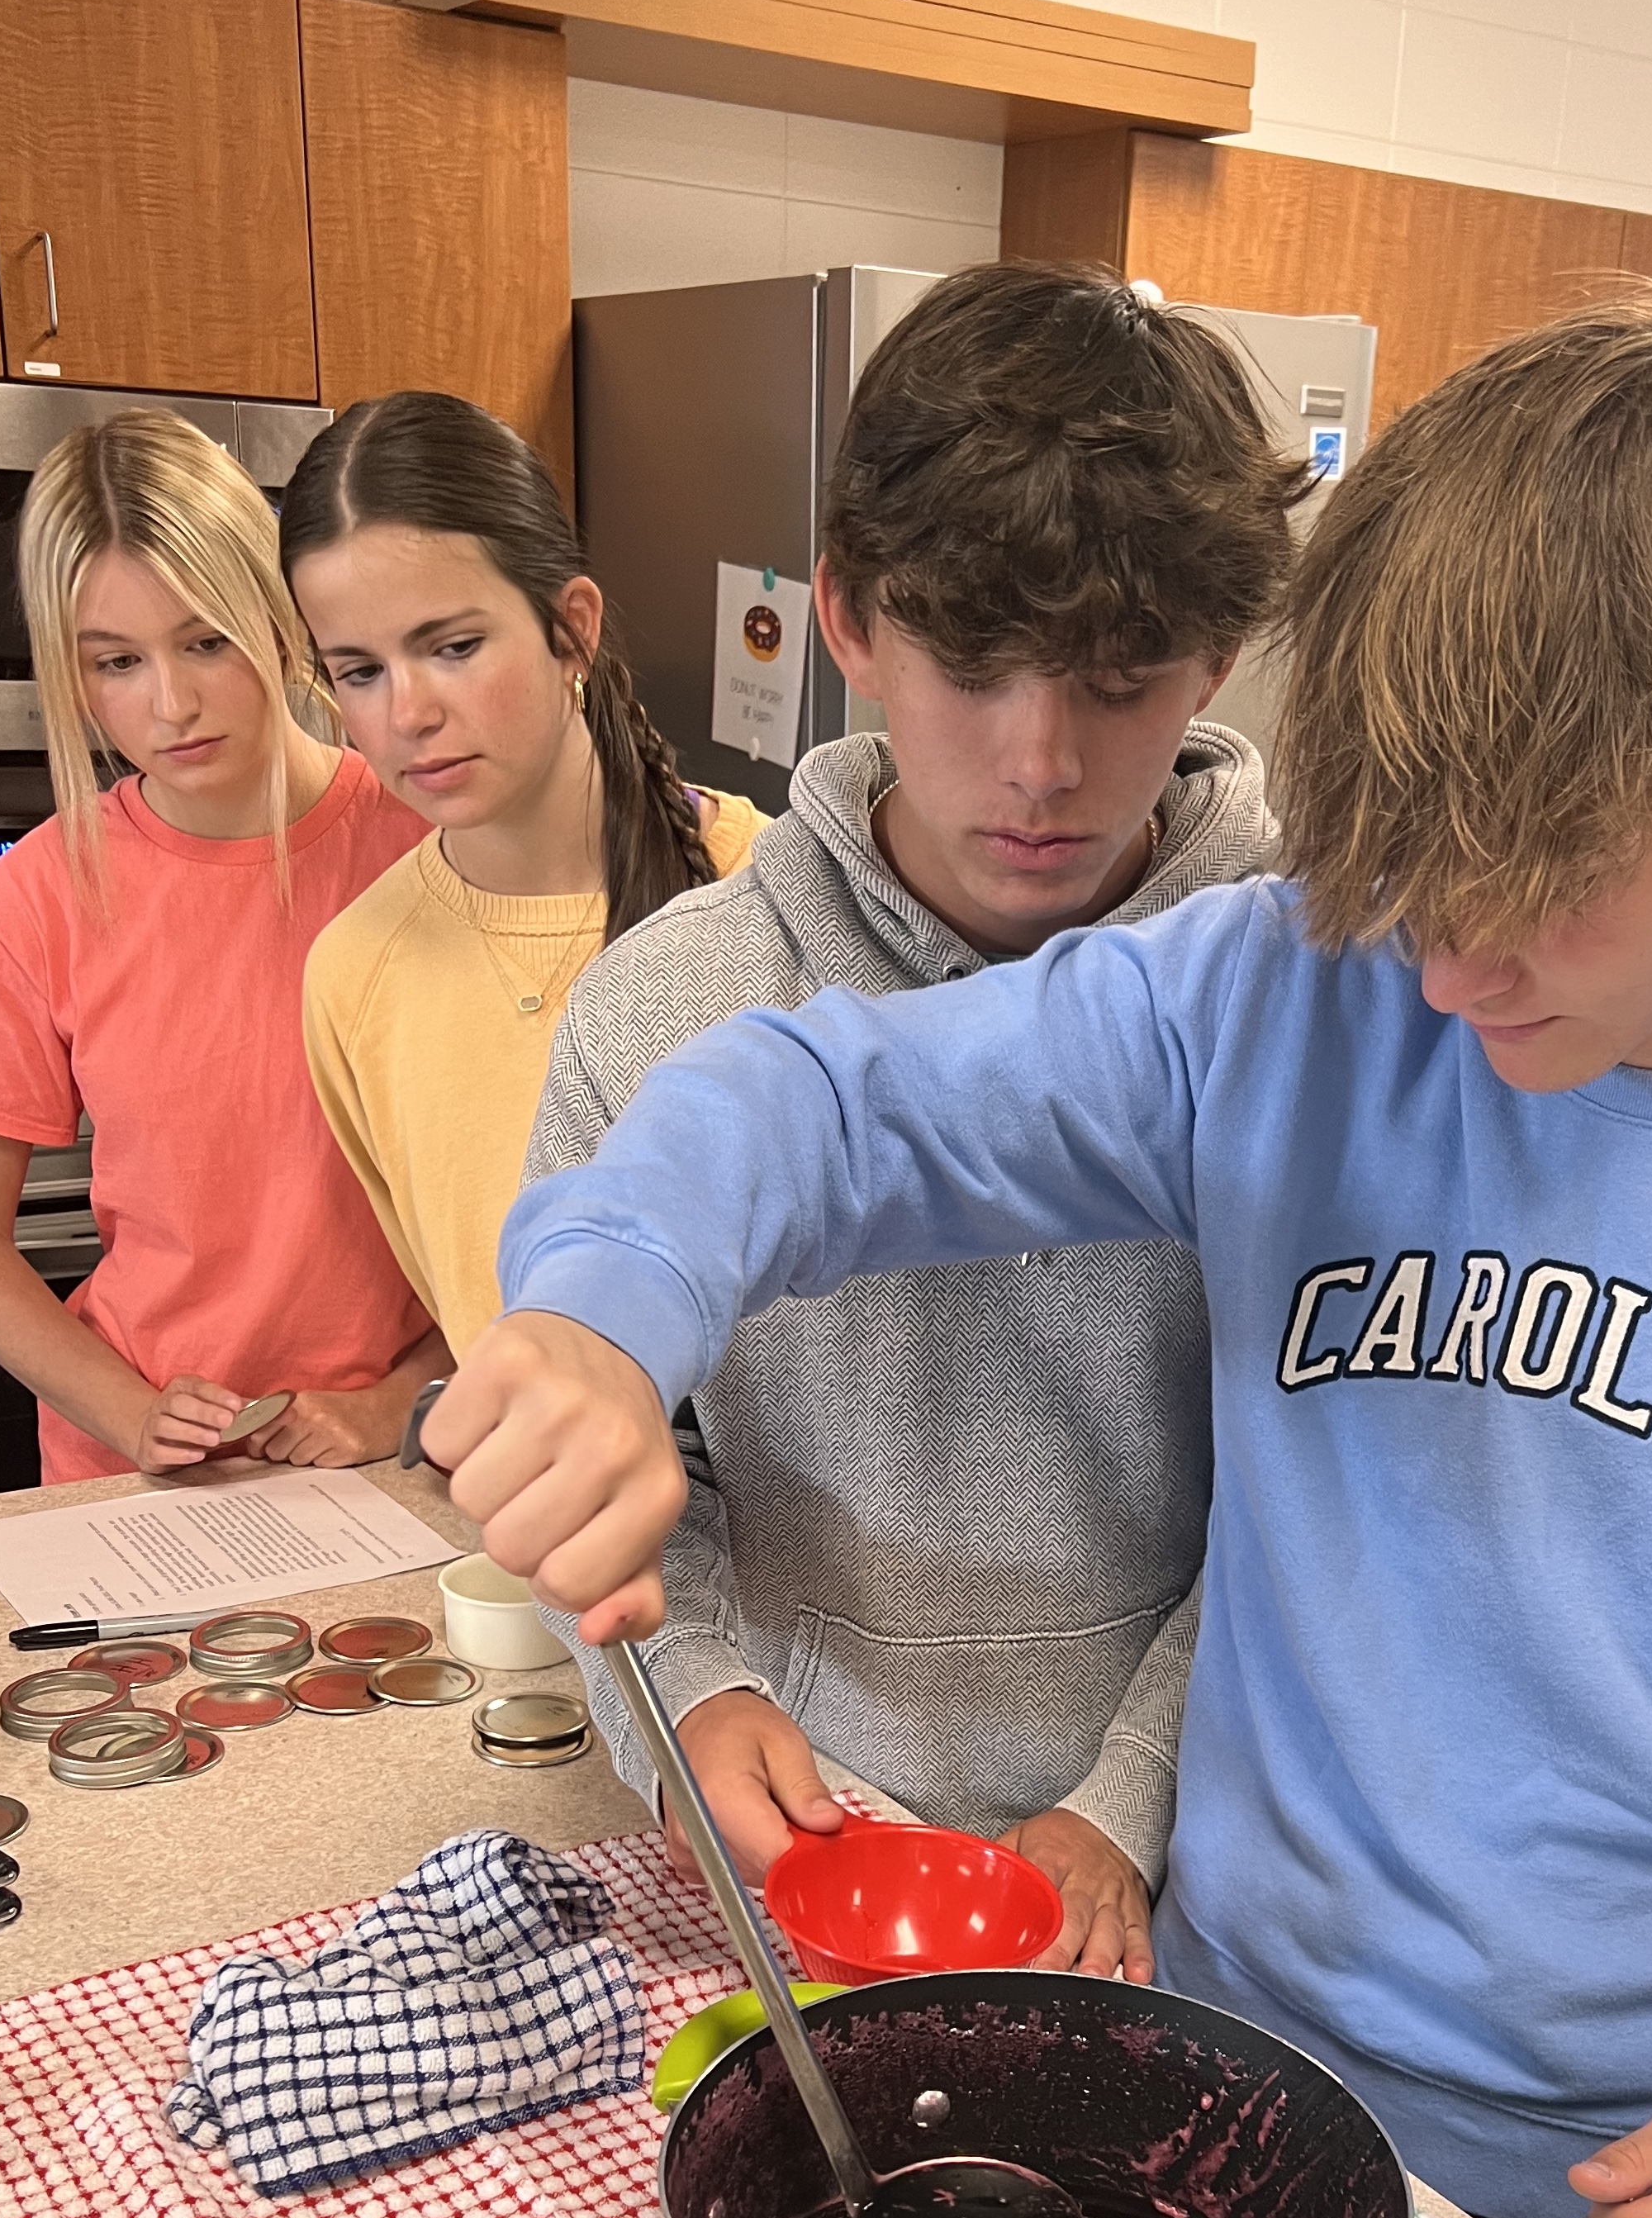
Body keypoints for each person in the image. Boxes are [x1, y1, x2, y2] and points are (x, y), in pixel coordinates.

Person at [411, 291, 1652, 2218]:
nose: (1449, 975)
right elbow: (817, 1094)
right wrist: (604, 1307)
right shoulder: (1290, 987)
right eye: (1406, 882)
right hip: (1210, 2082)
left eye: (1548, 888)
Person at [520, 264, 1310, 1978]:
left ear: (1218, 658)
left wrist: (1134, 1792)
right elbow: (648, 1473)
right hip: (800, 1841)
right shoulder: (664, 1013)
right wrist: (694, 1698)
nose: (1040, 761)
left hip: (1198, 1866)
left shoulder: (1318, 1014)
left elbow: (1332, 1495)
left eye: (1116, 680)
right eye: (974, 664)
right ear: (849, 620)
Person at [0, 408, 441, 1480]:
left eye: (205, 641)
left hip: (399, 1448)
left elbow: (537, 1189)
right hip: (138, 1476)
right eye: (117, 662)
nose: (172, 704)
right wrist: (128, 1410)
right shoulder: (37, 897)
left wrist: (409, 1392)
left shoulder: (429, 844)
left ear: (277, 614)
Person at [278, 394, 763, 1376]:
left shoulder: (780, 892)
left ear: (571, 629)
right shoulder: (356, 978)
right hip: (550, 1532)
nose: (408, 712)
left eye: (453, 647)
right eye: (359, 672)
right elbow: (477, 1328)